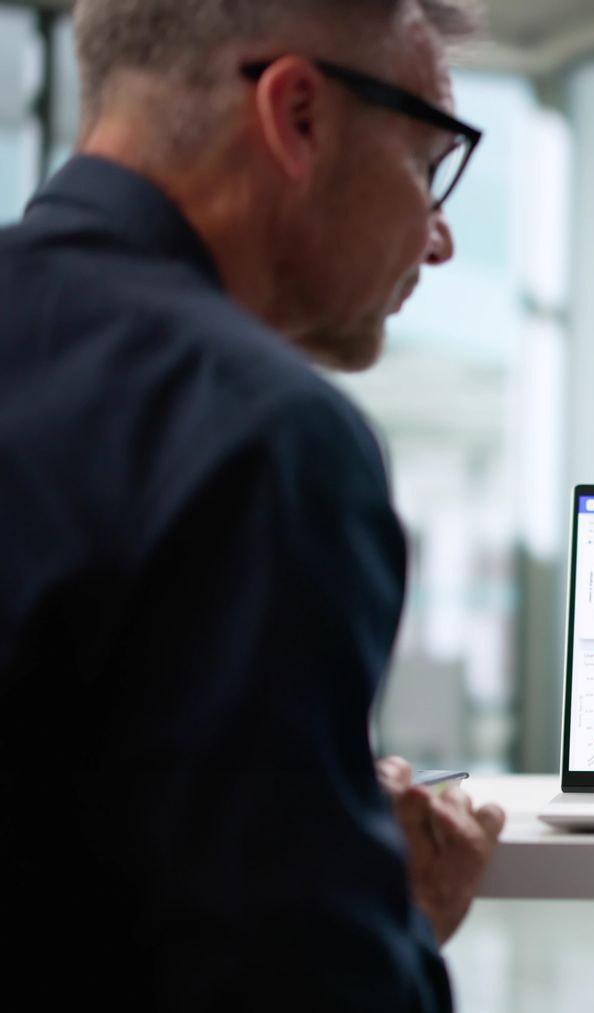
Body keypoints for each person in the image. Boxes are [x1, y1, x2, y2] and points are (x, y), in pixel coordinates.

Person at [0, 1, 501, 1006]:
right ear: (298, 117)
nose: (439, 238)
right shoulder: (258, 438)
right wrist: (396, 913)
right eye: (426, 162)